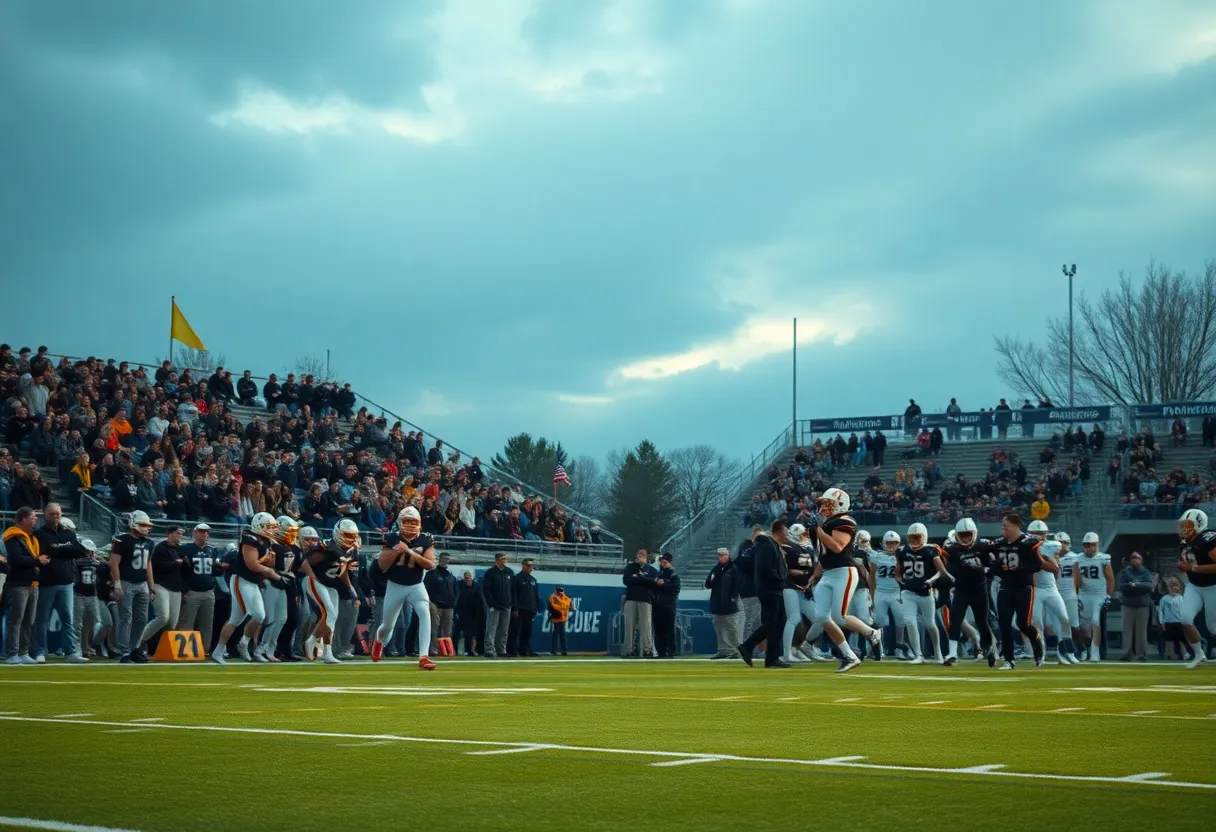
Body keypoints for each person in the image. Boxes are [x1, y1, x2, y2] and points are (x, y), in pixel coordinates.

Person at [808, 488, 884, 672]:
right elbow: (823, 554)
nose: (823, 507)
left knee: (840, 616)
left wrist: (818, 529)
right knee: (821, 617)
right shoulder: (827, 523)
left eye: (828, 503)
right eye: (823, 503)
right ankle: (849, 656)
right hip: (827, 573)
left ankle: (872, 633)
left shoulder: (845, 521)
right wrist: (814, 577)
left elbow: (837, 547)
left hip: (844, 572)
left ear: (839, 504)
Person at [209, 512, 282, 665]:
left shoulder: (266, 541)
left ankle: (220, 651)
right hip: (241, 580)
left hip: (252, 582)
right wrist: (272, 573)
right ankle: (242, 643)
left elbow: (267, 564)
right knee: (258, 615)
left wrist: (273, 566)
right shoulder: (250, 539)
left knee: (237, 619)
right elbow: (252, 564)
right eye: (268, 527)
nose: (271, 530)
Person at [372, 507, 437, 670]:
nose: (410, 525)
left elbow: (430, 564)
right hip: (395, 585)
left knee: (424, 612)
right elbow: (381, 565)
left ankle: (423, 656)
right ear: (400, 523)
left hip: (416, 585)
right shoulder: (391, 538)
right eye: (407, 522)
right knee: (388, 625)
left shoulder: (426, 539)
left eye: (413, 522)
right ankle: (378, 641)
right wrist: (395, 552)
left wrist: (409, 551)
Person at [989, 512, 1055, 670]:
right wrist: (999, 568)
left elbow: (1037, 565)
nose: (1003, 527)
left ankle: (1037, 646)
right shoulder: (1000, 544)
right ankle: (1009, 660)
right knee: (1004, 623)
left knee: (1023, 623)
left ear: (1015, 525)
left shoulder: (1027, 542)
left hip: (1023, 587)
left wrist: (1018, 569)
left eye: (1006, 524)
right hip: (1005, 586)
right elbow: (995, 567)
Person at [33, 502, 87, 662]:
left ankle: (71, 652)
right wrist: (63, 550)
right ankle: (40, 651)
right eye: (52, 514)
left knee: (68, 618)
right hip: (47, 582)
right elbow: (43, 553)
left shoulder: (68, 533)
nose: (56, 516)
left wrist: (57, 550)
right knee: (42, 618)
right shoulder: (39, 534)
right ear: (45, 515)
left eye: (58, 513)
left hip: (66, 582)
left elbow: (78, 551)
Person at [941, 519, 996, 666]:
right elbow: (949, 568)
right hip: (962, 590)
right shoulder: (952, 550)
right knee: (956, 620)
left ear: (974, 533)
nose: (965, 538)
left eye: (968, 534)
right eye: (962, 535)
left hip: (979, 589)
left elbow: (995, 562)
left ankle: (988, 648)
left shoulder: (984, 546)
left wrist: (988, 570)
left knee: (982, 621)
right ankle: (952, 653)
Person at [738, 517, 790, 668]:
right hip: (770, 589)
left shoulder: (771, 545)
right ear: (778, 531)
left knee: (780, 621)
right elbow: (765, 568)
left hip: (774, 588)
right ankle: (748, 646)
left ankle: (772, 657)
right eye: (785, 531)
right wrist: (779, 580)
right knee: (771, 622)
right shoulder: (767, 545)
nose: (787, 534)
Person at [297, 521, 352, 664]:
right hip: (318, 581)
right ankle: (318, 645)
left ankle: (321, 646)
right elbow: (305, 562)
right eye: (347, 535)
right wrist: (312, 577)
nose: (350, 539)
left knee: (332, 618)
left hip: (332, 585)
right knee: (329, 614)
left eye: (352, 535)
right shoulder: (327, 546)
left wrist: (350, 588)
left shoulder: (349, 550)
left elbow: (343, 571)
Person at [895, 522, 948, 664]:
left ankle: (938, 652)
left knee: (930, 623)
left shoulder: (931, 550)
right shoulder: (902, 550)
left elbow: (941, 571)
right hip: (908, 592)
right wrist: (901, 582)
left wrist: (931, 580)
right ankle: (918, 654)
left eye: (918, 537)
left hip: (926, 592)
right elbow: (897, 571)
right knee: (910, 621)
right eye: (912, 537)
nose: (915, 540)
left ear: (924, 537)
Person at [109, 510, 155, 663]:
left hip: (142, 584)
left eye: (147, 525)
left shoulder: (149, 542)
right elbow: (114, 563)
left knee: (141, 619)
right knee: (126, 618)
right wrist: (117, 584)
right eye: (143, 524)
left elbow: (148, 565)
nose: (146, 528)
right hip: (126, 582)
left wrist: (151, 587)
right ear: (133, 523)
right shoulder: (122, 540)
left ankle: (134, 649)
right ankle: (124, 651)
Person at [4, 507, 48, 664]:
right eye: (33, 517)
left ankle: (24, 651)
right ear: (22, 519)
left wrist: (39, 562)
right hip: (18, 584)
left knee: (29, 621)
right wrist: (37, 561)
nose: (35, 520)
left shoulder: (31, 538)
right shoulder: (12, 537)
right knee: (16, 620)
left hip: (32, 583)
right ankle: (12, 653)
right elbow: (16, 559)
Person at [1026, 521, 1074, 665]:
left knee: (1064, 618)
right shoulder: (1025, 547)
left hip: (1051, 588)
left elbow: (1055, 564)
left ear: (1046, 534)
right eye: (1035, 534)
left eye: (1041, 534)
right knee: (1037, 623)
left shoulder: (1052, 545)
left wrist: (1048, 557)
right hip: (1036, 589)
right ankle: (1041, 655)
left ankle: (1067, 652)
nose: (1039, 536)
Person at [1176, 508, 1216, 668]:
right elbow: (1190, 565)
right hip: (1194, 585)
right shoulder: (1185, 544)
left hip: (1213, 585)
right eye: (1183, 525)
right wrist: (1184, 567)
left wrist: (1191, 569)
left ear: (1199, 525)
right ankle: (1199, 655)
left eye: (1188, 525)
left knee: (1213, 628)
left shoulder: (1208, 539)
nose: (1184, 529)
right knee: (1185, 617)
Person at [255, 517, 298, 661]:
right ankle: (259, 649)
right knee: (270, 618)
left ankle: (270, 649)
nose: (291, 535)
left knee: (282, 618)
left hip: (282, 583)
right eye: (288, 532)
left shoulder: (287, 546)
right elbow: (266, 565)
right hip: (271, 582)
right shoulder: (270, 545)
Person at [140, 524, 186, 654]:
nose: (180, 536)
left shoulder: (180, 549)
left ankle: (159, 650)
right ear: (170, 533)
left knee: (171, 623)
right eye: (178, 533)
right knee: (162, 617)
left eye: (181, 534)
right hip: (161, 585)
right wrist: (174, 563)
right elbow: (154, 567)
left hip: (176, 588)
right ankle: (138, 642)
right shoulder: (160, 548)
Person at [178, 523, 219, 656]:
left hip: (208, 591)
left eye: (207, 532)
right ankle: (185, 650)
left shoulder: (212, 550)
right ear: (195, 533)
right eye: (202, 532)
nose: (205, 534)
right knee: (187, 621)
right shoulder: (186, 549)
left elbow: (215, 570)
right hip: (192, 591)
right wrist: (184, 588)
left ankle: (204, 650)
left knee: (206, 624)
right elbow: (181, 570)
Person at [780, 525, 818, 663]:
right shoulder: (787, 548)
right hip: (790, 587)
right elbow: (788, 570)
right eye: (802, 535)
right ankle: (787, 653)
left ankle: (803, 647)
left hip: (804, 589)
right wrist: (805, 573)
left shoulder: (807, 549)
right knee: (794, 618)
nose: (805, 537)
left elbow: (813, 568)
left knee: (820, 619)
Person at [1076, 531, 1115, 662]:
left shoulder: (1103, 558)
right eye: (1086, 545)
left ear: (1096, 545)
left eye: (1091, 545)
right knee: (1082, 627)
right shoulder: (1078, 558)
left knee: (1095, 622)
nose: (1088, 547)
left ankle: (1095, 652)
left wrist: (1108, 596)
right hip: (1083, 595)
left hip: (1099, 595)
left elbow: (1110, 579)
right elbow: (1076, 579)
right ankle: (1084, 649)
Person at [869, 532, 903, 658]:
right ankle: (879, 648)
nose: (891, 545)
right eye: (889, 542)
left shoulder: (901, 555)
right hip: (881, 592)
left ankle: (900, 647)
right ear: (884, 543)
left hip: (896, 592)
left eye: (894, 543)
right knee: (879, 621)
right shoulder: (876, 557)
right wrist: (872, 594)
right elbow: (871, 577)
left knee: (901, 620)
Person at [705, 547, 743, 659]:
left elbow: (738, 584)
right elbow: (708, 584)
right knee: (719, 629)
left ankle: (737, 651)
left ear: (728, 555)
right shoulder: (715, 569)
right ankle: (723, 650)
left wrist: (733, 597)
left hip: (729, 604)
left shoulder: (733, 568)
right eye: (720, 555)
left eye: (724, 555)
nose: (722, 557)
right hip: (717, 603)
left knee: (733, 629)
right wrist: (712, 579)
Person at [621, 549, 658, 658]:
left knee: (645, 626)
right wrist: (640, 579)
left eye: (641, 555)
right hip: (631, 599)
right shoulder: (630, 568)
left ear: (645, 557)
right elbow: (626, 581)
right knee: (629, 625)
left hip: (645, 600)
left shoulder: (651, 569)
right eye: (638, 555)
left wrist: (640, 578)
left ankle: (647, 650)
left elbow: (652, 582)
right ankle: (629, 650)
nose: (639, 557)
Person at [1117, 551, 1154, 661]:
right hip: (1128, 604)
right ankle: (1127, 653)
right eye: (1132, 558)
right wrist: (1133, 586)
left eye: (1137, 557)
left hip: (1142, 605)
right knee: (1127, 631)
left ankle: (1141, 654)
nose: (1134, 560)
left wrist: (1135, 584)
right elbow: (1122, 587)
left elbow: (1149, 586)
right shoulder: (1125, 572)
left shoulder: (1146, 572)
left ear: (1141, 560)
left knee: (1141, 632)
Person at [1053, 533, 1083, 664]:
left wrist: (1078, 594)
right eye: (1059, 542)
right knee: (1059, 625)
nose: (1061, 545)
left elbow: (1078, 577)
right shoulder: (1051, 557)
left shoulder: (1075, 558)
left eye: (1064, 542)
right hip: (1056, 593)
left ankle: (1080, 648)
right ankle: (1064, 652)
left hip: (1070, 593)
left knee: (1074, 625)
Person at [73, 539, 103, 658]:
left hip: (92, 595)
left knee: (92, 623)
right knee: (78, 623)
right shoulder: (77, 562)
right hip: (79, 594)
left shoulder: (95, 563)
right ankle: (76, 649)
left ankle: (86, 646)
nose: (91, 554)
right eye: (89, 551)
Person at [424, 553, 458, 656]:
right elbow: (425, 589)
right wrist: (430, 603)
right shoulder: (432, 574)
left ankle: (446, 649)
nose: (446, 561)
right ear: (440, 559)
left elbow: (456, 591)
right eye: (444, 559)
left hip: (449, 606)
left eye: (448, 559)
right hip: (436, 605)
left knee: (447, 630)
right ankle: (433, 648)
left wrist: (453, 603)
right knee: (434, 628)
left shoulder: (451, 575)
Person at [481, 552, 514, 658]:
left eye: (505, 559)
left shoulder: (509, 572)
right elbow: (486, 590)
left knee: (504, 630)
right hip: (494, 605)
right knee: (491, 628)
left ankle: (501, 649)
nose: (505, 561)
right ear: (497, 560)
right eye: (503, 559)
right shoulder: (490, 573)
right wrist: (491, 603)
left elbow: (512, 589)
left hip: (506, 605)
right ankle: (489, 649)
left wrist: (510, 602)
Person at [508, 558, 540, 657]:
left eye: (531, 566)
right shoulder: (517, 578)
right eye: (528, 565)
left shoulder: (533, 580)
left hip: (529, 609)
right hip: (520, 608)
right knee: (516, 631)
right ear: (523, 565)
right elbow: (513, 594)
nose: (530, 568)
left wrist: (535, 607)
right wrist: (514, 608)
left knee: (527, 631)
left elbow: (535, 595)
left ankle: (525, 649)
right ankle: (513, 649)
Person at [652, 553, 681, 658]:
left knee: (669, 629)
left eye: (665, 562)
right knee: (658, 630)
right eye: (662, 562)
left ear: (670, 562)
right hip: (657, 606)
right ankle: (661, 651)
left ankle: (671, 650)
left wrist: (663, 584)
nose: (663, 564)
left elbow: (675, 588)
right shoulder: (658, 574)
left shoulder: (674, 575)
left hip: (668, 606)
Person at [1158, 578, 1188, 659]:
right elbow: (1161, 610)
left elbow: (1184, 611)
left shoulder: (1181, 599)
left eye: (1175, 586)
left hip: (1179, 622)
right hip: (1168, 622)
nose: (1173, 588)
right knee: (1168, 639)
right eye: (1171, 587)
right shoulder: (1164, 599)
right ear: (1168, 588)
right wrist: (1162, 622)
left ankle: (1184, 653)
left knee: (1181, 639)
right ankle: (1169, 654)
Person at [548, 586, 572, 656]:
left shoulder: (565, 598)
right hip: (556, 618)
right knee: (557, 634)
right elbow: (552, 606)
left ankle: (562, 650)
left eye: (561, 591)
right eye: (559, 591)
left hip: (563, 618)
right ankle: (555, 650)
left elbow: (569, 605)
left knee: (562, 635)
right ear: (556, 591)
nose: (560, 592)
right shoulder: (553, 597)